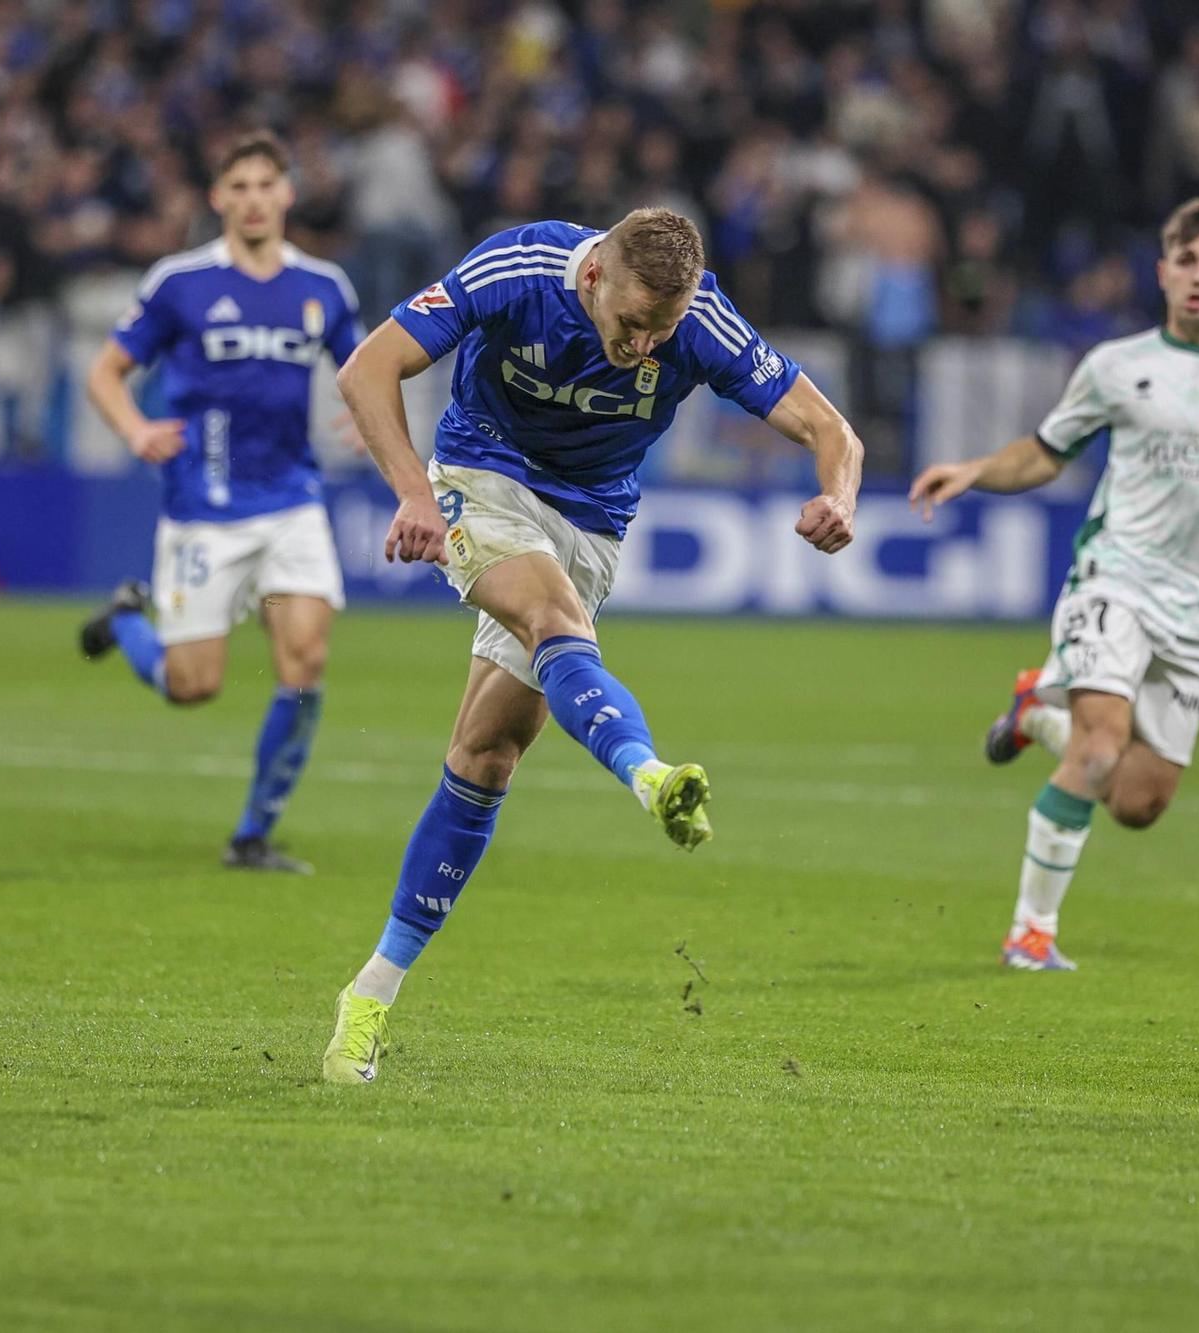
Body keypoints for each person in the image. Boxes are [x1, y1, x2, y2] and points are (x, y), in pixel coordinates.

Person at [321, 207, 861, 1082]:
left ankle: (369, 996)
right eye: (631, 323)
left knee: (486, 755)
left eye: (663, 329)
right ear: (594, 278)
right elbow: (368, 367)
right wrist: (414, 493)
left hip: (594, 522)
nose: (645, 346)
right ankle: (649, 774)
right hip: (482, 478)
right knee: (554, 625)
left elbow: (832, 428)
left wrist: (838, 494)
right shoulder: (520, 268)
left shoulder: (702, 321)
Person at [909, 195, 1199, 972]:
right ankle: (1032, 932)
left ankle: (1037, 711)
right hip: (1115, 577)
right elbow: (1045, 451)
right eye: (1186, 261)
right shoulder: (1118, 366)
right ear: (1163, 273)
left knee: (1137, 802)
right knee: (1099, 746)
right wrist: (975, 471)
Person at [79, 132, 364, 873]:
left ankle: (253, 834)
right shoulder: (180, 282)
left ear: (288, 193)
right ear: (217, 199)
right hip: (204, 503)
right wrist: (135, 427)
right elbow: (106, 372)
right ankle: (128, 622)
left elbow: (365, 366)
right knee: (192, 685)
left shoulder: (324, 286)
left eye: (267, 184)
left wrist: (368, 414)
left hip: (292, 498)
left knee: (305, 661)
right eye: (238, 186)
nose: (254, 199)